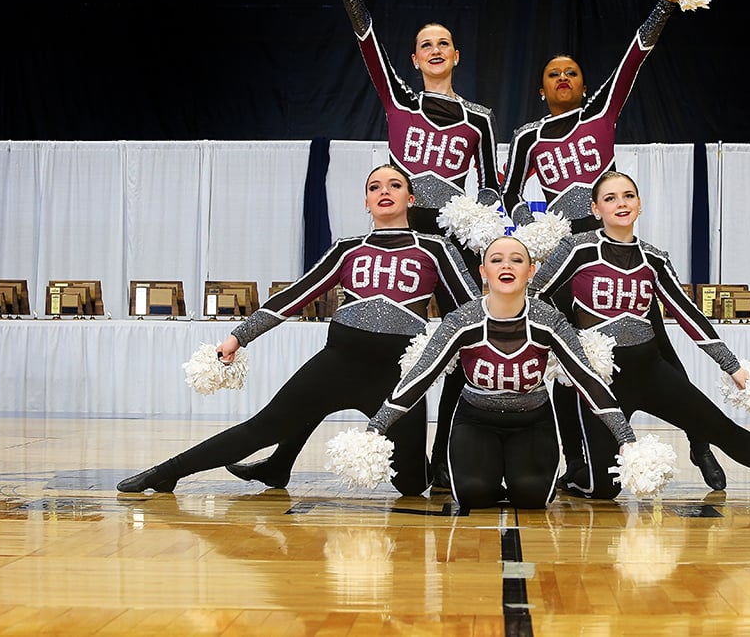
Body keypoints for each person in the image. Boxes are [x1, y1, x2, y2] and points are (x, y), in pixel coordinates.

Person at [116, 163, 480, 495]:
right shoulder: (347, 249)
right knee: (262, 427)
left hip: (399, 374)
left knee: (412, 485)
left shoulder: (435, 248)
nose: (384, 191)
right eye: (374, 187)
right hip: (339, 361)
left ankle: (280, 464)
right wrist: (238, 336)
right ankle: (165, 472)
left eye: (394, 185)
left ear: (410, 198)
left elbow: (473, 308)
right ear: (366, 202)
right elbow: (293, 296)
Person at [500, 0, 727, 491]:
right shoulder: (527, 138)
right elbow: (507, 194)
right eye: (553, 74)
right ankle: (577, 464)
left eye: (572, 73)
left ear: (584, 85)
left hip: (614, 241)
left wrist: (666, 3)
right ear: (541, 89)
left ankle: (700, 444)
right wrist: (529, 231)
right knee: (560, 355)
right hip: (565, 255)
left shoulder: (601, 114)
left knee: (663, 352)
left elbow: (635, 56)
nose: (563, 78)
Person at [529, 170, 750, 499]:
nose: (621, 203)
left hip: (650, 370)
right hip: (602, 379)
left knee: (723, 429)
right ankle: (574, 478)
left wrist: (731, 365)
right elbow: (533, 296)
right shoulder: (577, 249)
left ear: (640, 204)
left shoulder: (654, 258)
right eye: (610, 198)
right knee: (604, 490)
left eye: (628, 196)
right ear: (596, 210)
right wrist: (566, 345)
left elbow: (688, 314)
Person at [328, 0, 502, 489]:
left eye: (443, 44)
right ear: (413, 59)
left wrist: (483, 222)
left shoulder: (480, 118)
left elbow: (493, 187)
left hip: (451, 238)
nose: (434, 49)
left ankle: (446, 459)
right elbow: (366, 41)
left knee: (469, 341)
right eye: (424, 44)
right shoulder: (401, 103)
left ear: (456, 57)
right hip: (401, 230)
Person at [365, 235, 638, 511]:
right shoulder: (462, 320)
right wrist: (376, 428)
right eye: (496, 260)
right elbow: (421, 376)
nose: (506, 266)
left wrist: (626, 439)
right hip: (475, 421)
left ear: (530, 271)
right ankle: (487, 473)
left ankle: (519, 474)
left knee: (533, 497)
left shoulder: (549, 320)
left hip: (532, 422)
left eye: (516, 260)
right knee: (472, 495)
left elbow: (586, 378)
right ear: (484, 272)